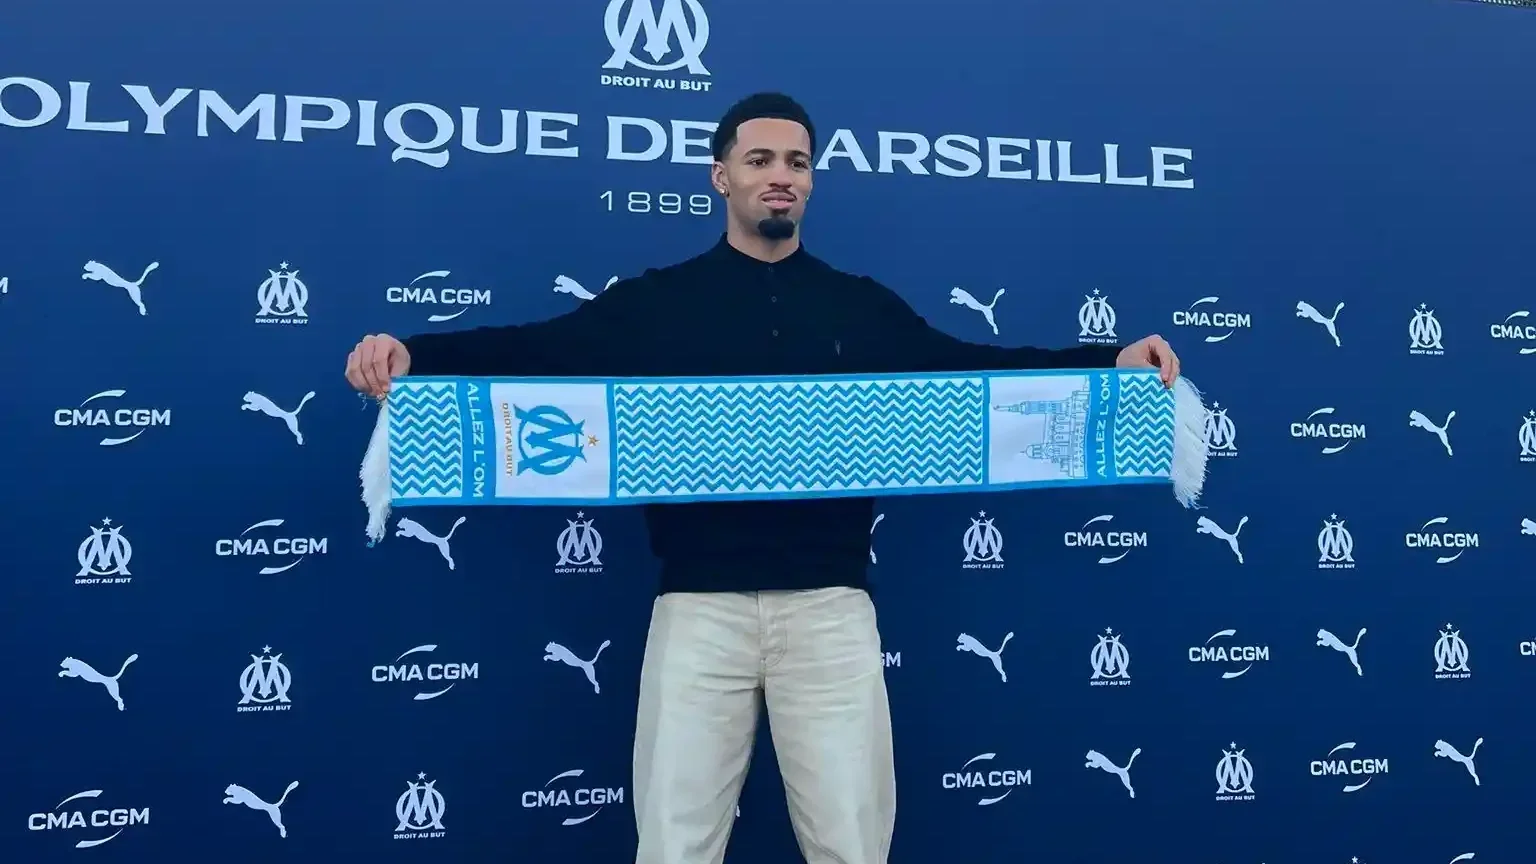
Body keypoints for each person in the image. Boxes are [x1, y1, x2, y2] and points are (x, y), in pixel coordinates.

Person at [345, 92, 1181, 864]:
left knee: (852, 843)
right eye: (760, 160)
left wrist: (1110, 363)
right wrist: (415, 357)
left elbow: (978, 373)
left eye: (797, 162)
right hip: (697, 612)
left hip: (831, 610)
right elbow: (536, 351)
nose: (781, 176)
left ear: (810, 180)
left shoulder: (862, 307)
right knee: (675, 845)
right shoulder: (656, 302)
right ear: (722, 176)